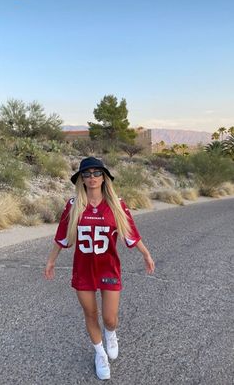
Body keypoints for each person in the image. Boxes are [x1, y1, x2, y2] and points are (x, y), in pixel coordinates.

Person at [44, 156, 155, 380]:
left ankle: (111, 334)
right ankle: (99, 354)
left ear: (104, 177)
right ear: (81, 179)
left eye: (97, 173)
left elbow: (131, 233)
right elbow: (62, 237)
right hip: (83, 269)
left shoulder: (116, 204)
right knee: (90, 313)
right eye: (87, 174)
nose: (92, 177)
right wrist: (51, 261)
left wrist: (146, 253)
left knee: (110, 318)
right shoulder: (74, 205)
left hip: (108, 268)